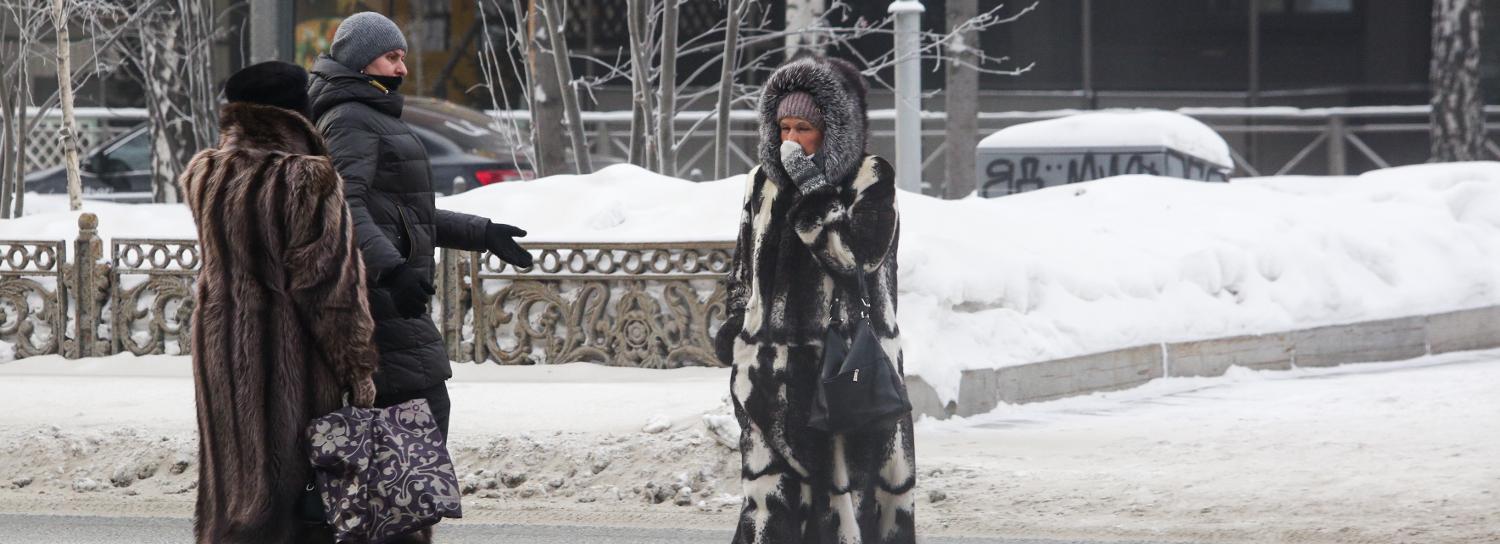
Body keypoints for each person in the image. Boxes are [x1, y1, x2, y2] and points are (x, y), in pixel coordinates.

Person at [714, 56, 917, 544]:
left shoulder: (869, 179)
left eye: (804, 128)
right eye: (783, 127)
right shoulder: (761, 183)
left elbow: (858, 259)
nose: (791, 139)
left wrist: (812, 191)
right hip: (771, 375)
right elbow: (743, 267)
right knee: (769, 506)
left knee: (842, 507)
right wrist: (737, 330)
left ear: (832, 129)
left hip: (842, 372)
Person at [307, 12, 533, 441]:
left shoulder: (371, 113)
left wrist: (481, 232)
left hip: (391, 298)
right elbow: (343, 206)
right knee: (419, 425)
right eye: (391, 57)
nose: (402, 69)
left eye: (402, 57)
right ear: (361, 61)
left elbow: (402, 213)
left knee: (414, 430)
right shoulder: (351, 118)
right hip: (377, 300)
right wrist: (392, 270)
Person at [181, 60, 378, 544]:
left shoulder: (205, 172)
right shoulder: (308, 177)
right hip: (290, 361)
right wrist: (358, 372)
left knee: (237, 485)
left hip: (221, 353)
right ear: (297, 110)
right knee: (292, 501)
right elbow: (330, 290)